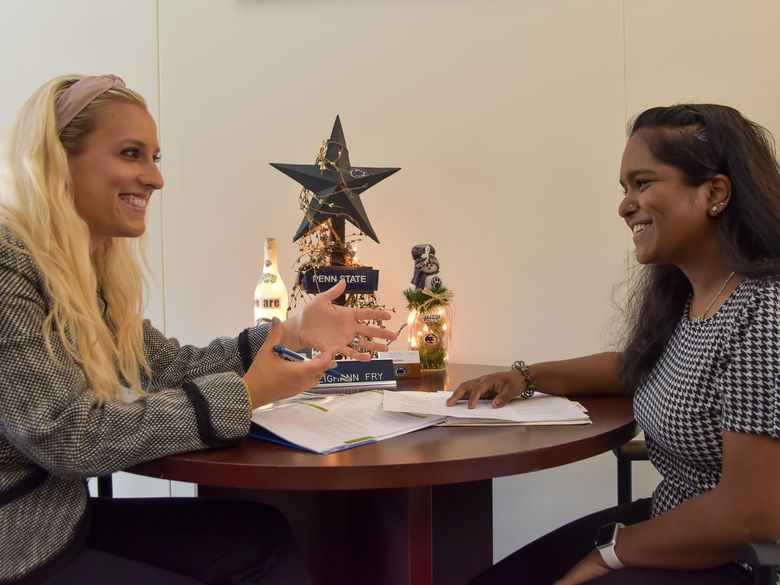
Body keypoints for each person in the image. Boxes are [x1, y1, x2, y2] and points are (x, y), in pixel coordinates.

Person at [0, 74, 397, 584]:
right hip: (21, 547)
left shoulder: (83, 275)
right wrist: (248, 393)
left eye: (154, 157)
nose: (155, 178)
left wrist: (291, 331)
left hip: (60, 521)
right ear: (57, 161)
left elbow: (166, 367)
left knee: (261, 536)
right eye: (130, 153)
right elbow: (69, 438)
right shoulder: (10, 268)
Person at [448, 104, 780, 585]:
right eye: (624, 189)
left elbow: (751, 512)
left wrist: (610, 554)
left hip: (734, 557)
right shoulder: (693, 298)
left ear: (715, 192)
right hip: (672, 522)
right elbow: (635, 367)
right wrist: (526, 376)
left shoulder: (765, 309)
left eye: (642, 183)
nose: (625, 205)